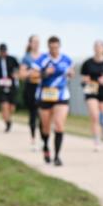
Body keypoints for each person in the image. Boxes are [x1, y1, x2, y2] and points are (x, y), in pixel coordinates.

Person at [35, 36, 73, 166]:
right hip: (45, 95)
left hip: (61, 96)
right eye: (52, 48)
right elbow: (31, 74)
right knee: (45, 126)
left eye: (56, 47)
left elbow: (72, 72)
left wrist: (70, 74)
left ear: (59, 46)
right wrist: (44, 73)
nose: (54, 50)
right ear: (48, 47)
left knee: (59, 124)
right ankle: (45, 145)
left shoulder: (66, 59)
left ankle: (57, 156)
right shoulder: (42, 59)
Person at [18, 35, 42, 150]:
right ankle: (33, 139)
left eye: (38, 42)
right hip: (31, 88)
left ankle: (44, 138)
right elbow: (21, 75)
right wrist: (31, 72)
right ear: (30, 44)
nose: (36, 44)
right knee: (33, 113)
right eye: (34, 42)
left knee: (43, 114)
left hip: (43, 88)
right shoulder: (26, 58)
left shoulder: (44, 57)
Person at [0, 43, 20, 133]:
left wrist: (16, 74)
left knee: (11, 108)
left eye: (5, 51)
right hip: (1, 86)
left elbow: (19, 69)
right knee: (4, 106)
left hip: (12, 86)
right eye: (2, 51)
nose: (3, 53)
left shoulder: (12, 59)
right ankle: (8, 123)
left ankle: (7, 117)